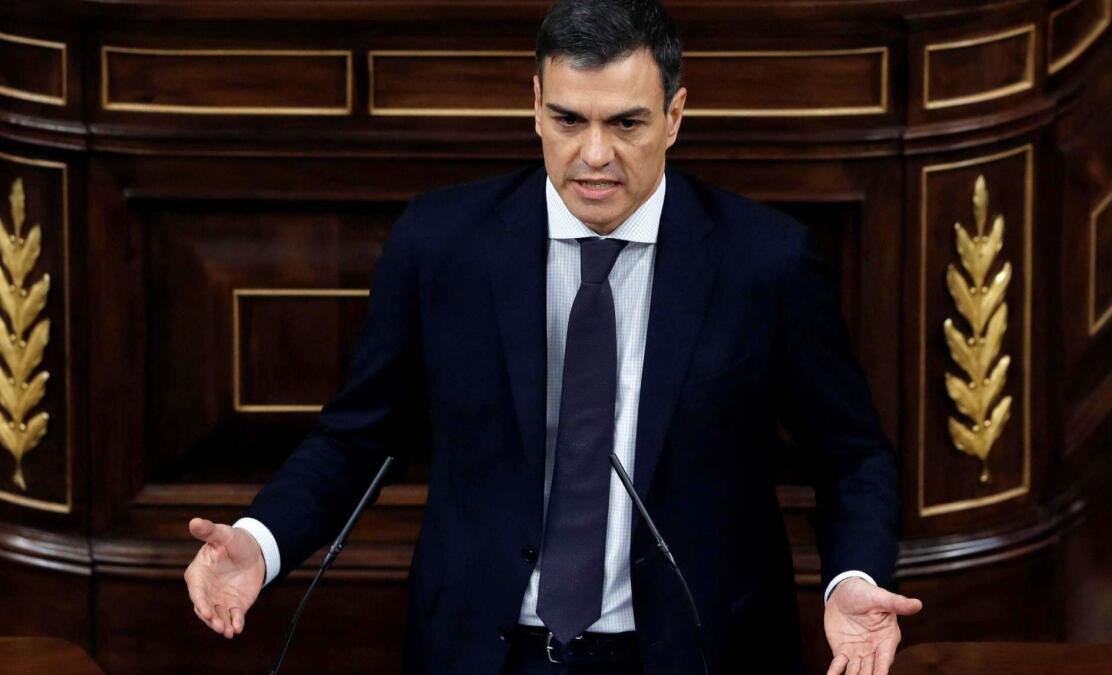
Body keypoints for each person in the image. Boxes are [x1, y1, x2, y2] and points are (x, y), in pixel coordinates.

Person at [183, 1, 922, 673]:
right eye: (570, 120)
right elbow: (356, 437)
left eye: (626, 123)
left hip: (692, 649)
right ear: (535, 107)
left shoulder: (766, 262)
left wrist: (852, 577)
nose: (594, 155)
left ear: (675, 115)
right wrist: (263, 539)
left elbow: (850, 454)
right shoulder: (442, 246)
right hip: (488, 650)